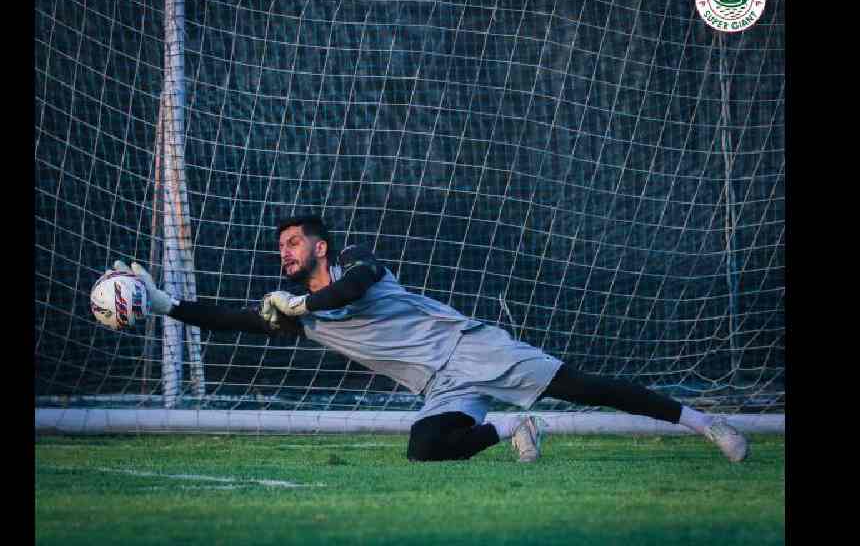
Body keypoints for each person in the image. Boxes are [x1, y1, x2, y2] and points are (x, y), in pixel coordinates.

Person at [113, 215, 749, 463]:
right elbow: (233, 319)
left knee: (586, 388)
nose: (284, 252)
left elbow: (348, 292)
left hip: (469, 348)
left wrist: (301, 300)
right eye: (280, 247)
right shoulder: (297, 312)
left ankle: (703, 422)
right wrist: (166, 304)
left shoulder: (362, 268)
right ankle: (511, 430)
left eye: (293, 242)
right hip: (440, 383)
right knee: (423, 446)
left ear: (320, 246)